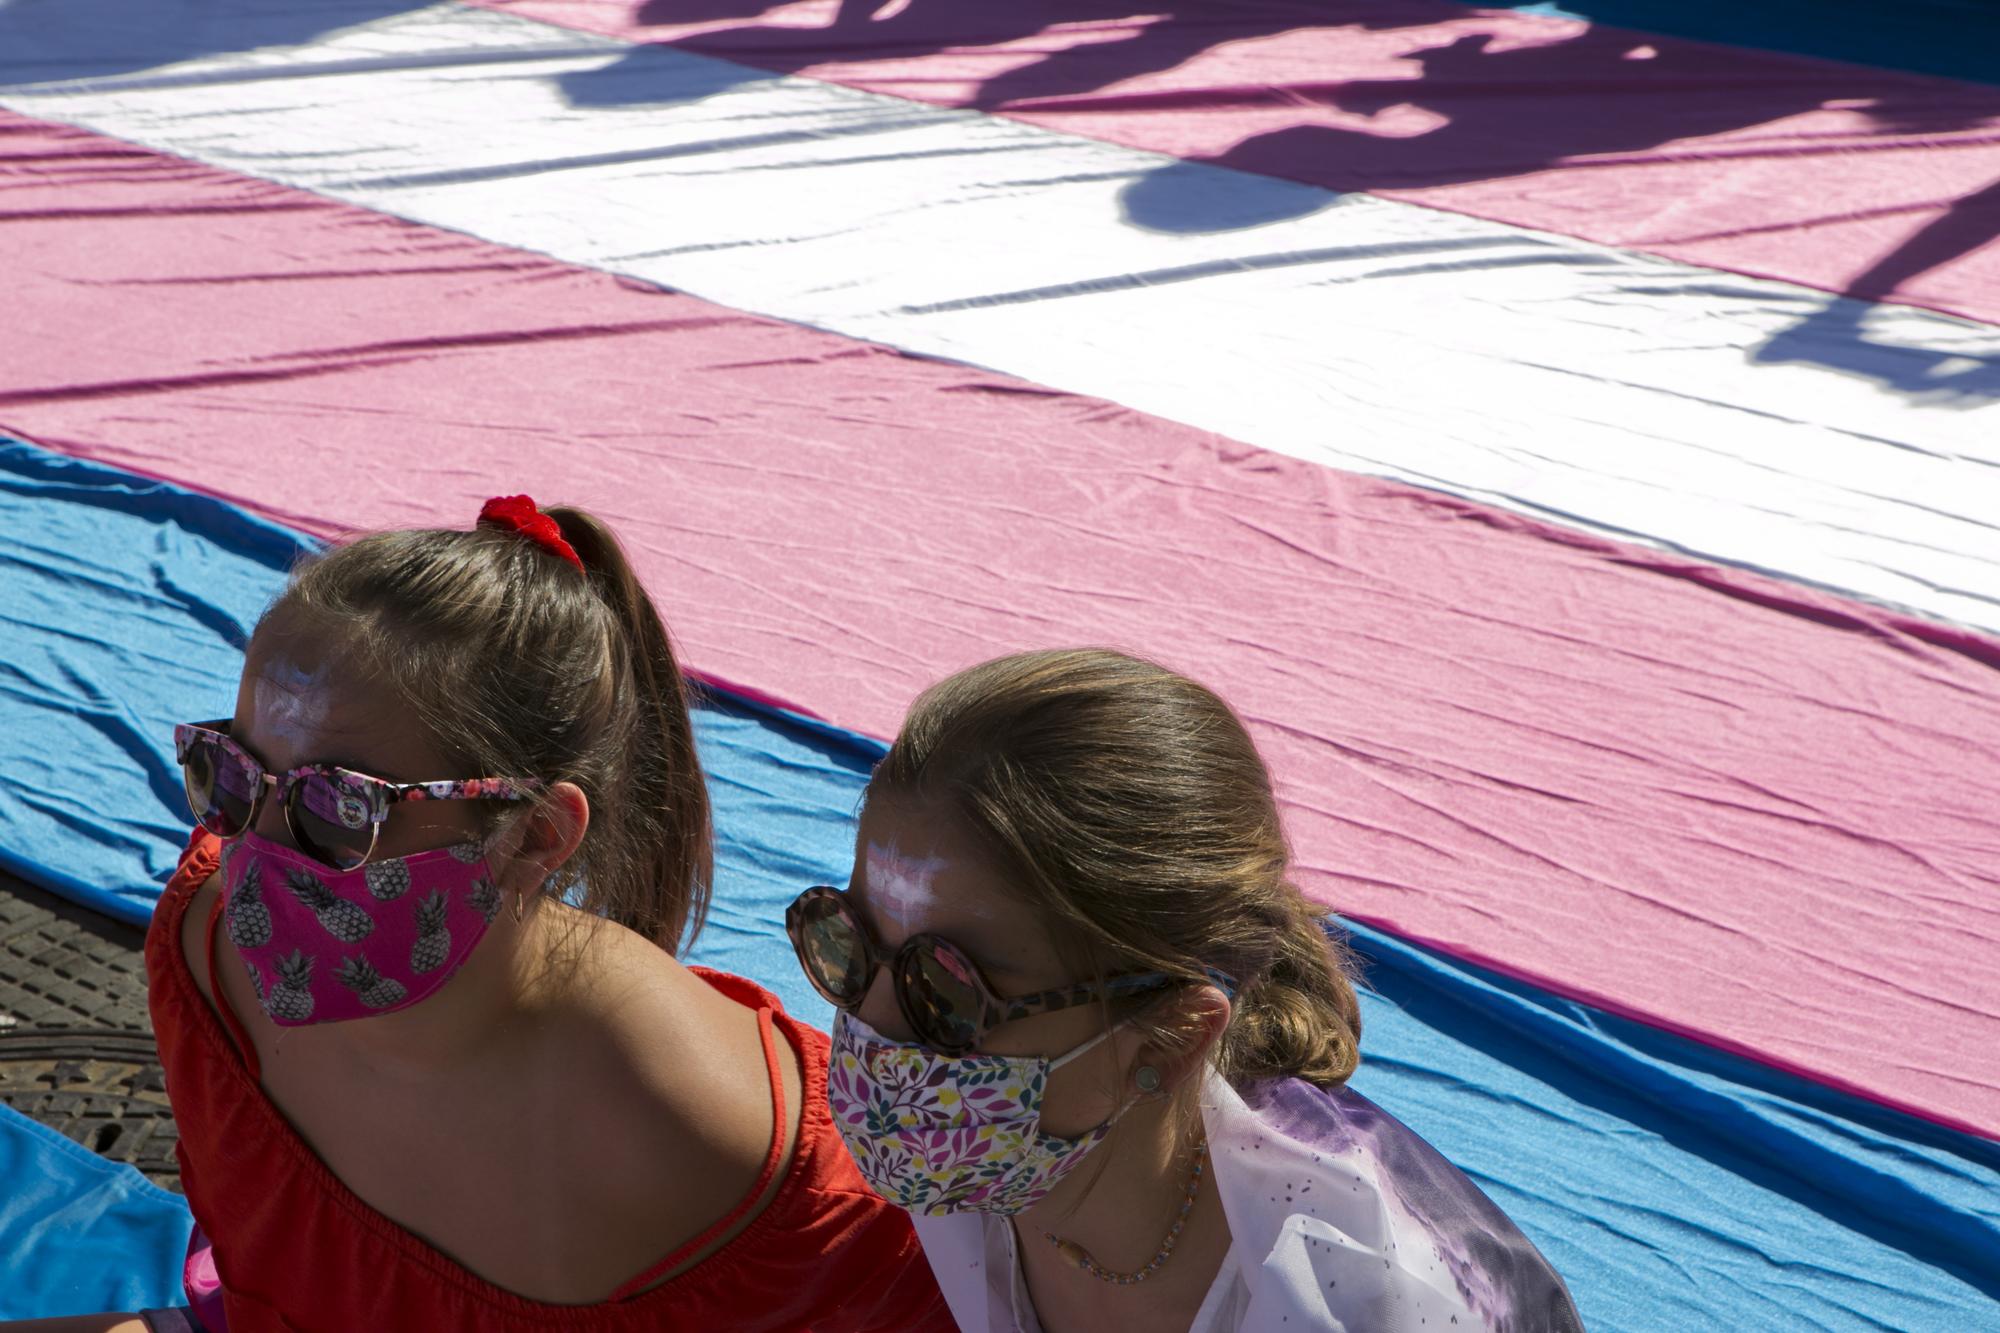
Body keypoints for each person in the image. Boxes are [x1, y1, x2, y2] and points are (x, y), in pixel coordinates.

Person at [7, 497, 951, 1333]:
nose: (252, 853)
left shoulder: (696, 1130)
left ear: (535, 834)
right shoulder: (204, 942)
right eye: (231, 773)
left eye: (339, 806)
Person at [785, 649, 1583, 1333]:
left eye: (949, 991)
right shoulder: (988, 1165)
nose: (874, 1024)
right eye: (845, 942)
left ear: (1171, 1037)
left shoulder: (1358, 1296)